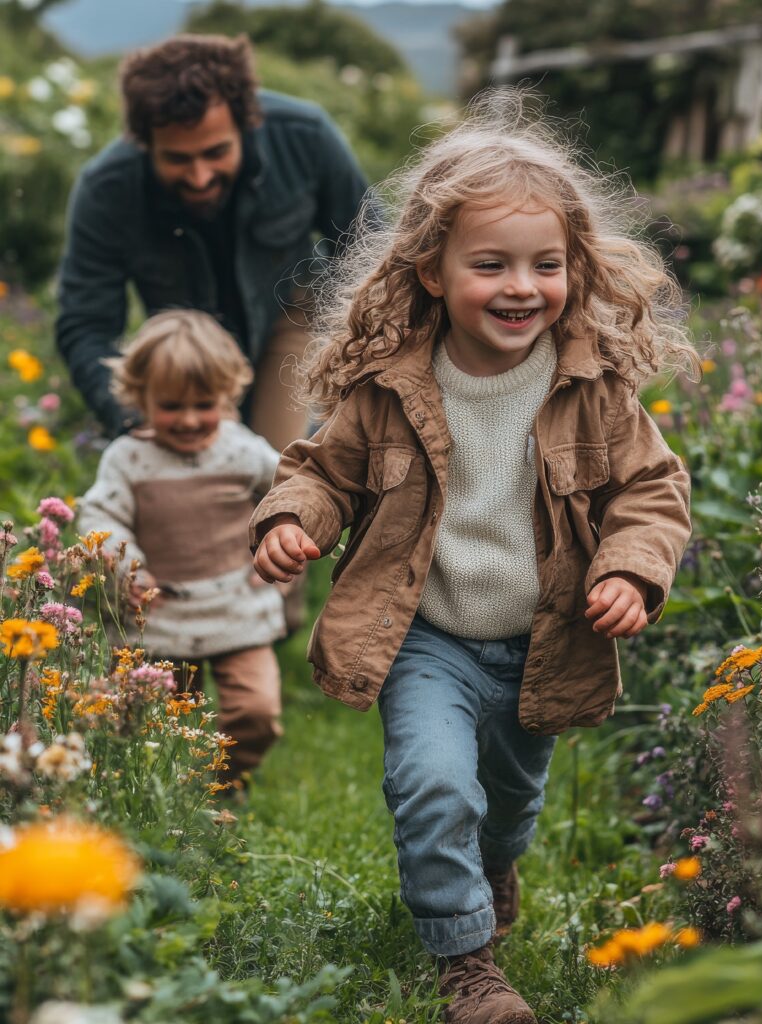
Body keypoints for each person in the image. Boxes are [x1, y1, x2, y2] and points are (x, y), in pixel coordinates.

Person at [248, 94, 698, 1022]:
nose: (519, 286)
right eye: (488, 264)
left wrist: (628, 567)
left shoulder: (594, 392)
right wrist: (296, 519)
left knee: (505, 808)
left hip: (543, 639)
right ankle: (466, 967)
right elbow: (320, 468)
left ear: (575, 267)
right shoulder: (391, 386)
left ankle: (490, 873)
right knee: (432, 783)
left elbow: (651, 491)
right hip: (426, 638)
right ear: (431, 268)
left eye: (545, 264)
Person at [56, 33, 369, 451]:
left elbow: (369, 251)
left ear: (246, 123)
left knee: (273, 475)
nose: (200, 176)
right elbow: (86, 325)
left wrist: (361, 366)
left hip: (288, 321)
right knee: (191, 482)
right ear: (144, 143)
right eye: (178, 159)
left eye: (215, 152)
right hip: (185, 352)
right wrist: (131, 418)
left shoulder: (305, 136)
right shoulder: (107, 190)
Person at [78, 310, 286, 788]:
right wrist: (126, 568)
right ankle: (162, 799)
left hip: (237, 604)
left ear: (228, 394)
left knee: (256, 709)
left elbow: (287, 490)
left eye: (204, 404)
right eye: (172, 406)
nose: (190, 420)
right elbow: (99, 516)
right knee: (149, 723)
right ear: (140, 398)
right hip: (157, 613)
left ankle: (220, 787)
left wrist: (278, 541)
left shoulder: (241, 449)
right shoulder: (128, 459)